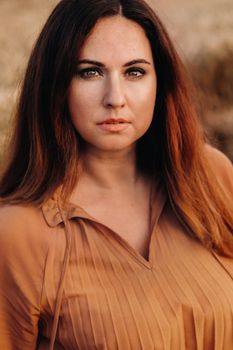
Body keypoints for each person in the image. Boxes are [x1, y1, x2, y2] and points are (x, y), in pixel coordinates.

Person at [0, 0, 233, 349]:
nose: (115, 98)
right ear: (56, 85)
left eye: (134, 72)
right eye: (90, 72)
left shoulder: (210, 176)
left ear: (161, 80)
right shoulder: (19, 233)